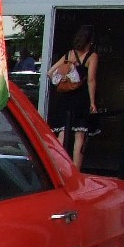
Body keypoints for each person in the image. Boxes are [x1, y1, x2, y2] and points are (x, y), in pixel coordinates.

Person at [46, 25, 98, 169]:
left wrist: (63, 78)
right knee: (79, 135)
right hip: (81, 98)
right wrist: (93, 102)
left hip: (65, 98)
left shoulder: (69, 55)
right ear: (90, 41)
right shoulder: (92, 56)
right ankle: (76, 171)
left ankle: (59, 168)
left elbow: (50, 72)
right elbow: (91, 80)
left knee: (62, 132)